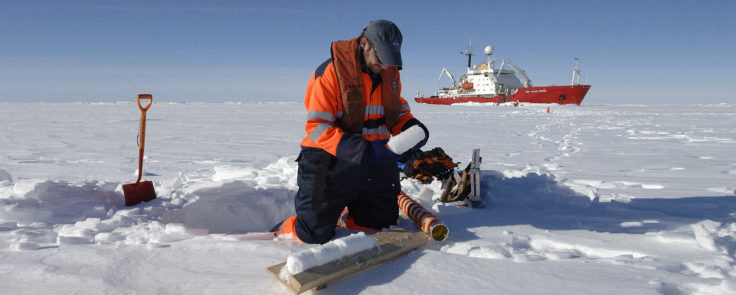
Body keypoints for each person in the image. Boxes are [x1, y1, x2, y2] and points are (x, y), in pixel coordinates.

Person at [271, 20, 429, 244]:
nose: (385, 66)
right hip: (328, 160)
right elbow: (317, 128)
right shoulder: (329, 73)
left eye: (390, 61)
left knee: (377, 224)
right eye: (381, 58)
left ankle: (350, 217)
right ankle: (289, 229)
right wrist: (364, 150)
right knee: (313, 234)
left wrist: (411, 128)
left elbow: (396, 111)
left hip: (375, 160)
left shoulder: (389, 72)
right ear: (365, 43)